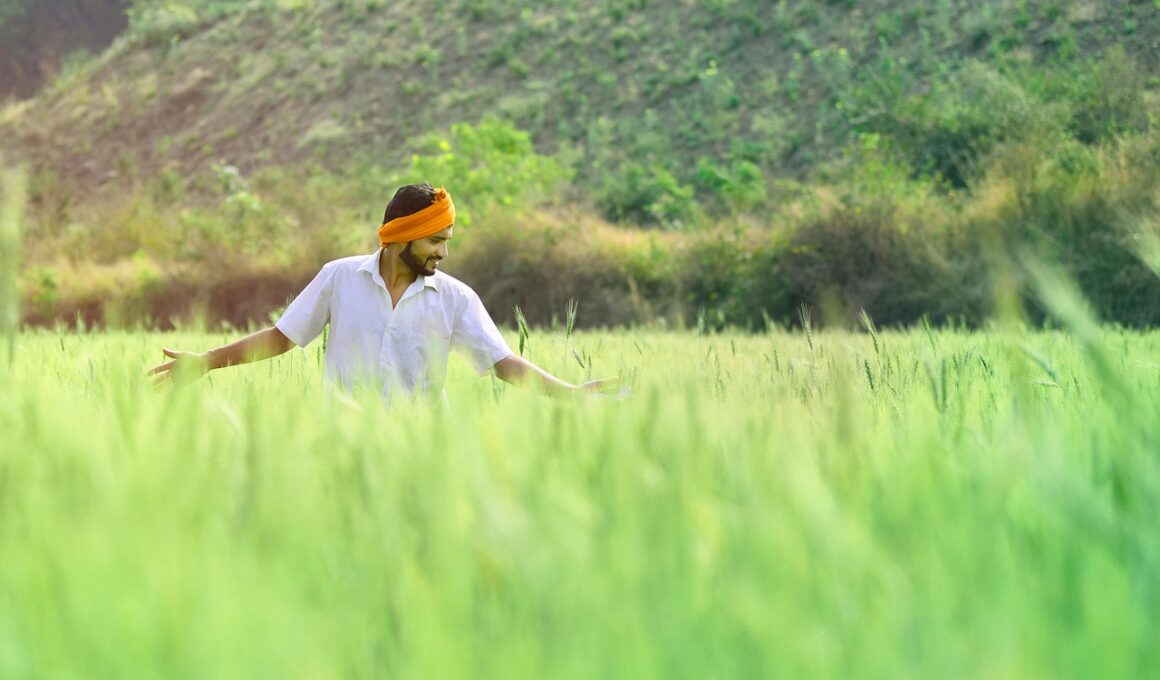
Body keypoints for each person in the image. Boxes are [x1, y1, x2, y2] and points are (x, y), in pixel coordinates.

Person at [148, 182, 616, 401]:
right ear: (400, 238)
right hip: (343, 447)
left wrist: (570, 393)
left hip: (422, 454)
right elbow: (280, 337)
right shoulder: (339, 278)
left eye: (447, 241)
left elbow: (503, 362)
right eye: (435, 241)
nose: (444, 253)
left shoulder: (455, 298)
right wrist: (206, 362)